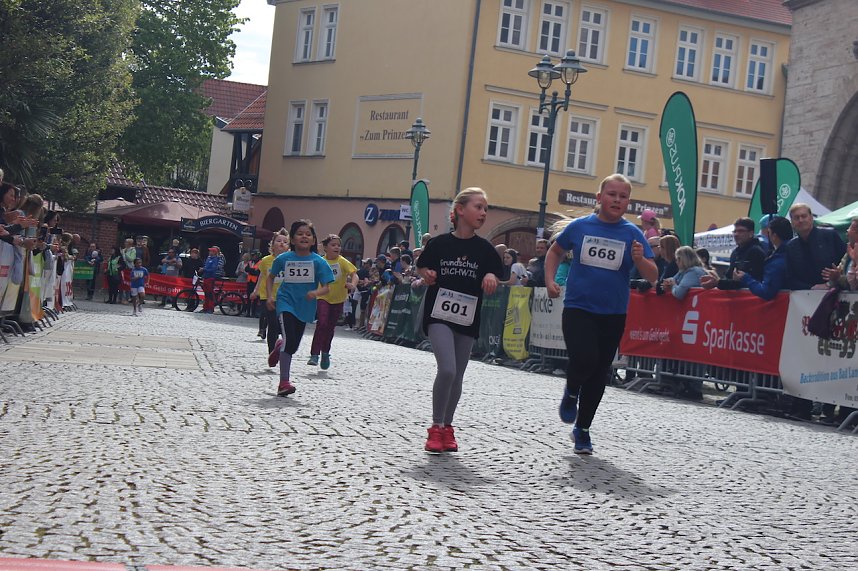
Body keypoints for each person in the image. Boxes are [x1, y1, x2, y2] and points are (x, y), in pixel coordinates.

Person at [544, 173, 657, 454]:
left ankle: (582, 429)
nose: (617, 200)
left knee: (599, 373)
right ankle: (571, 391)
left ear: (628, 202)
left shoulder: (632, 233)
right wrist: (549, 281)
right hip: (579, 307)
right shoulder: (581, 227)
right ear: (599, 197)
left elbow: (653, 275)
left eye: (623, 196)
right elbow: (554, 252)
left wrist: (641, 259)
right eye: (612, 194)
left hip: (613, 312)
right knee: (585, 358)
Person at [416, 187, 503, 454]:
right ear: (460, 210)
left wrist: (490, 278)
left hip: (467, 317)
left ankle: (448, 428)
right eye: (478, 207)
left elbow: (496, 274)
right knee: (448, 369)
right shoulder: (440, 243)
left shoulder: (485, 249)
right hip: (439, 315)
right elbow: (422, 266)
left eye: (486, 209)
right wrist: (427, 273)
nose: (483, 213)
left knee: (458, 376)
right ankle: (435, 426)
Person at [783, 203, 845, 422]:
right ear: (793, 222)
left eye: (804, 216)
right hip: (807, 305)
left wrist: (833, 280)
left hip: (836, 302)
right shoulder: (791, 246)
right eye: (796, 218)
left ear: (811, 217)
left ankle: (835, 409)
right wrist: (811, 288)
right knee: (807, 356)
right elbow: (789, 277)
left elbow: (845, 264)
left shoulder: (830, 237)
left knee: (834, 355)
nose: (801, 220)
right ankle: (802, 405)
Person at [265, 220, 334, 397]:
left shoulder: (318, 262)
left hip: (305, 306)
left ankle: (279, 346)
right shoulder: (283, 259)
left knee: (292, 346)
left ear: (313, 240)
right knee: (290, 340)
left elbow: (327, 287)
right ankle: (284, 383)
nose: (304, 236)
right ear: (293, 239)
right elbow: (270, 277)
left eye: (308, 234)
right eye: (300, 233)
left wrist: (316, 292)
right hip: (286, 301)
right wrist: (271, 296)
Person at [308, 234, 358, 369]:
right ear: (325, 248)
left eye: (338, 245)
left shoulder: (342, 262)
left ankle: (325, 353)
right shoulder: (320, 261)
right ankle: (314, 354)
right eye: (333, 245)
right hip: (323, 297)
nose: (337, 247)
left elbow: (354, 274)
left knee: (330, 327)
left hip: (338, 299)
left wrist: (352, 284)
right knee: (322, 323)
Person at [733, 216, 793, 301]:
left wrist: (746, 278)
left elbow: (766, 292)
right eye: (734, 231)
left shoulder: (775, 261)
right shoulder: (798, 251)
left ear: (774, 235)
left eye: (769, 233)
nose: (736, 234)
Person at [250, 229, 289, 350]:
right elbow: (262, 276)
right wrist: (256, 291)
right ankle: (272, 351)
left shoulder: (291, 260)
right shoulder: (266, 260)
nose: (282, 243)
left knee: (283, 325)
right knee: (272, 323)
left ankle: (283, 346)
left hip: (284, 296)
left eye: (285, 242)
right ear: (272, 245)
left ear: (289, 246)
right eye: (278, 241)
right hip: (268, 296)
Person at [201, 246, 225, 314]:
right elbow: (206, 266)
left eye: (211, 251)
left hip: (210, 278)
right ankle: (205, 308)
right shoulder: (208, 258)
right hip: (206, 277)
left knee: (210, 293)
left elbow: (213, 269)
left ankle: (210, 308)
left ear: (214, 252)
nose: (209, 252)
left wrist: (204, 269)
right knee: (206, 294)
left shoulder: (215, 259)